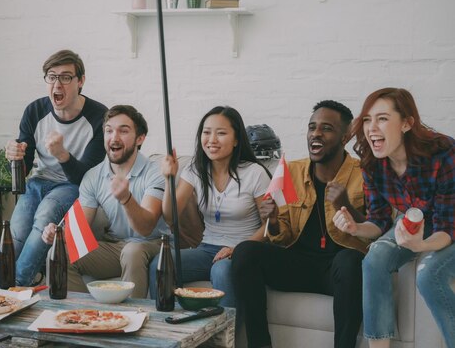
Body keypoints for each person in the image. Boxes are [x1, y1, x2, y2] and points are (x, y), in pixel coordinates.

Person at [231, 100, 370, 348]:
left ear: (345, 136)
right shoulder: (291, 171)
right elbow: (281, 236)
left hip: (337, 271)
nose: (316, 133)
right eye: (312, 127)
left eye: (326, 128)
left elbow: (376, 234)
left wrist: (345, 207)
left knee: (350, 261)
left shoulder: (364, 175)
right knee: (245, 252)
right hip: (298, 264)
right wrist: (272, 221)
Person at [333, 88, 454, 348]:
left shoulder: (443, 153)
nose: (371, 127)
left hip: (450, 219)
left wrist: (421, 246)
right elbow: (378, 222)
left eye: (383, 118)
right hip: (423, 220)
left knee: (429, 274)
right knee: (374, 258)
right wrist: (355, 227)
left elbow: (448, 225)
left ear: (407, 123)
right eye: (367, 119)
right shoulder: (372, 162)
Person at [0, 49, 107, 287]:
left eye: (66, 77)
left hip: (72, 186)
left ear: (81, 81)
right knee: (13, 238)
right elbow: (23, 170)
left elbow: (86, 178)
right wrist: (14, 157)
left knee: (45, 214)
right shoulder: (35, 111)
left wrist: (63, 155)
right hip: (38, 182)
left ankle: (17, 287)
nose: (58, 84)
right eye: (52, 76)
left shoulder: (99, 117)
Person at [149, 106, 272, 307]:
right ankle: (168, 326)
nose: (212, 140)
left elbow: (269, 227)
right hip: (207, 249)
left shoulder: (254, 173)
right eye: (206, 133)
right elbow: (171, 216)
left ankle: (227, 336)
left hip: (242, 251)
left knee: (221, 270)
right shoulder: (196, 169)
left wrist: (236, 249)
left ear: (236, 140)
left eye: (221, 133)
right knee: (160, 265)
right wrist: (169, 178)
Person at [42, 105, 168, 298]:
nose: (114, 137)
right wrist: (57, 234)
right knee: (57, 254)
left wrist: (126, 199)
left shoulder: (155, 172)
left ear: (140, 138)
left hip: (151, 243)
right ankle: (84, 317)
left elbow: (146, 228)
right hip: (115, 247)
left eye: (123, 131)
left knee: (132, 251)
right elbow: (80, 228)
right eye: (109, 130)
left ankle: (133, 320)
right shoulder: (93, 176)